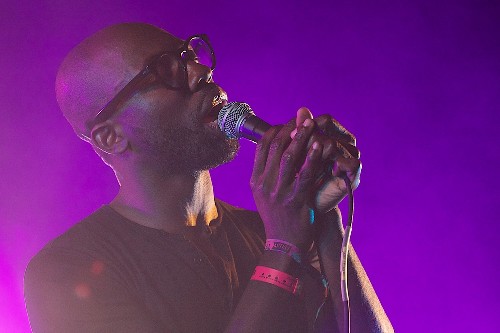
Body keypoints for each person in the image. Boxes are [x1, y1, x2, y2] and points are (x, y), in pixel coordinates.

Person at [24, 23, 393, 332]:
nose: (201, 72)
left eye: (190, 55)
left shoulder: (275, 229)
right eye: (166, 70)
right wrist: (283, 249)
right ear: (112, 137)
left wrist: (322, 221)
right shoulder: (65, 271)